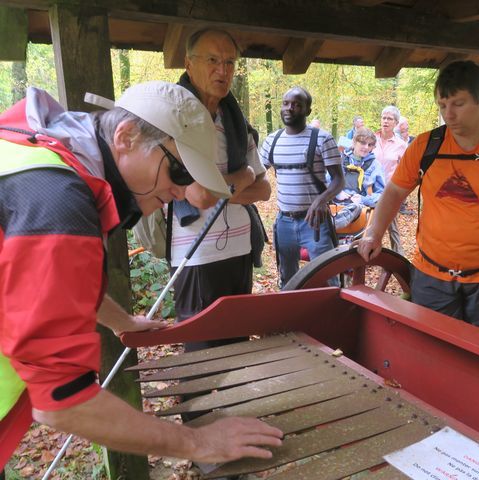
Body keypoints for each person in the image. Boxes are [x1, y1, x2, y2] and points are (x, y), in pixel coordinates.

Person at [0, 81, 282, 469]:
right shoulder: (59, 204)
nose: (183, 192)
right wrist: (200, 442)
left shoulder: (36, 151)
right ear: (126, 137)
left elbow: (48, 282)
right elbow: (63, 402)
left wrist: (120, 321)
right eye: (180, 171)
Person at [357, 60, 479, 326]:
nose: (449, 114)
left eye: (458, 103)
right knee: (433, 354)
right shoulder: (425, 146)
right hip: (432, 278)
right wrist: (374, 232)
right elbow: (395, 192)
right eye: (443, 105)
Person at [170, 28, 271, 352]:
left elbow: (265, 189)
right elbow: (197, 196)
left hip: (239, 247)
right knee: (200, 354)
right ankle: (196, 406)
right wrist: (243, 177)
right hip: (195, 253)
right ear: (189, 63)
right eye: (213, 60)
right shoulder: (171, 120)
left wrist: (226, 183)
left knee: (236, 348)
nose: (222, 70)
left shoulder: (237, 122)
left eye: (229, 62)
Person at [259, 86, 344, 288]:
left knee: (326, 277)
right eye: (286, 103)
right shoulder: (272, 141)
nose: (290, 108)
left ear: (307, 110)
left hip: (315, 222)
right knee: (288, 278)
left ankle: (333, 316)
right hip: (284, 222)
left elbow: (339, 180)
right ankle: (292, 316)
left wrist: (321, 200)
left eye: (297, 104)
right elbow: (256, 174)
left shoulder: (323, 138)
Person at [332, 127, 385, 231]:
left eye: (369, 145)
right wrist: (337, 192)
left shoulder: (375, 165)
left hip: (358, 208)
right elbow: (324, 183)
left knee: (355, 206)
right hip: (335, 203)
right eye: (363, 143)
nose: (366, 147)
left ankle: (331, 224)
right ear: (354, 142)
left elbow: (382, 195)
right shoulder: (340, 159)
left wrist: (363, 199)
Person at [372, 105, 407, 255]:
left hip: (389, 190)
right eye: (383, 118)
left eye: (389, 119)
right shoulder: (371, 139)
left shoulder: (401, 145)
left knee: (391, 224)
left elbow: (405, 171)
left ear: (395, 122)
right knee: (366, 223)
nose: (385, 121)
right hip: (369, 189)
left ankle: (399, 255)